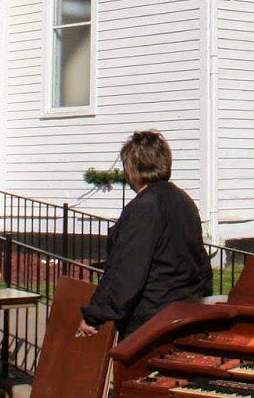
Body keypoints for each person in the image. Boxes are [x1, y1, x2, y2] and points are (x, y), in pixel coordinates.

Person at [79, 130, 212, 339]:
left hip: (151, 323)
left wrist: (94, 315)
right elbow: (201, 263)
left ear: (132, 168)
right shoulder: (184, 201)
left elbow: (127, 270)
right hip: (186, 316)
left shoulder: (144, 208)